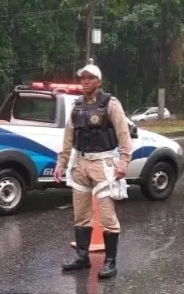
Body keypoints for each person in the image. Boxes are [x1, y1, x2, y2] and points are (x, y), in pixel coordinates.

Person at [54, 64, 133, 279]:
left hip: (103, 164)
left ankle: (110, 261)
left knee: (107, 216)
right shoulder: (77, 106)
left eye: (90, 78)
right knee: (81, 214)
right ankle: (82, 257)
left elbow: (123, 133)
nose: (85, 81)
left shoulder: (111, 104)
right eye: (83, 78)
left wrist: (124, 161)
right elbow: (68, 136)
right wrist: (61, 163)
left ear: (99, 81)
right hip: (80, 163)